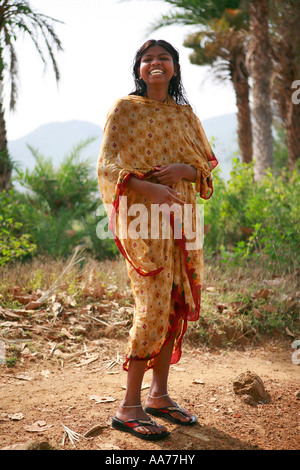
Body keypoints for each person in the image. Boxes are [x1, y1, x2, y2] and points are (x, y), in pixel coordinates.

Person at [97, 39, 218, 441]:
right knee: (151, 307)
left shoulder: (185, 116)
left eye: (163, 58)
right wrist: (146, 189)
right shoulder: (125, 110)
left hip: (183, 221)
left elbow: (204, 171)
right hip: (141, 221)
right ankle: (128, 406)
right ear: (138, 69)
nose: (155, 63)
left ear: (175, 69)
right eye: (147, 59)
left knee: (174, 306)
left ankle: (159, 396)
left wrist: (185, 168)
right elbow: (108, 164)